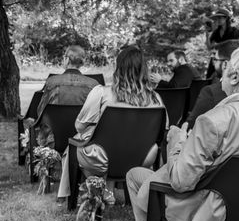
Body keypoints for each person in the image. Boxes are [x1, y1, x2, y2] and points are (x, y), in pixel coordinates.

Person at [126, 46, 239, 221]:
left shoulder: (214, 121)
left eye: (226, 69)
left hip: (206, 210)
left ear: (233, 77)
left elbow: (181, 182)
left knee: (136, 176)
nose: (221, 74)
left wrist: (178, 142)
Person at [57, 45, 164, 200]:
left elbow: (79, 126)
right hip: (141, 159)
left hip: (103, 160)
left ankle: (95, 189)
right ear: (144, 70)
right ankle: (109, 191)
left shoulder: (102, 93)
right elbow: (162, 132)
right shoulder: (156, 100)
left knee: (79, 142)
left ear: (118, 68)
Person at [185, 40, 239, 129]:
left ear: (225, 64)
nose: (213, 62)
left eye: (215, 59)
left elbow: (191, 126)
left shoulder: (211, 92)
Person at [204, 8, 239, 79]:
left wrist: (218, 46)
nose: (218, 20)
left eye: (220, 18)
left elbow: (236, 46)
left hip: (229, 59)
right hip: (217, 59)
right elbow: (210, 48)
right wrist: (207, 36)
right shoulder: (216, 32)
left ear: (226, 18)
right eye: (217, 18)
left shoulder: (234, 31)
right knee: (209, 78)